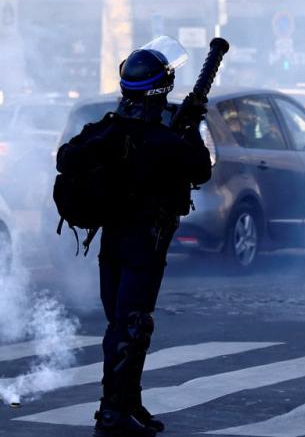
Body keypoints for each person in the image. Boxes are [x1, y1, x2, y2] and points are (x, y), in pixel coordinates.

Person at [56, 43, 211, 437]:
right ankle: (112, 414)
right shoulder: (163, 139)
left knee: (121, 323)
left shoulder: (109, 128)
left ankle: (127, 401)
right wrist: (191, 129)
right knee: (133, 324)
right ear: (160, 90)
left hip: (112, 241)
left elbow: (67, 157)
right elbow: (200, 170)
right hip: (145, 243)